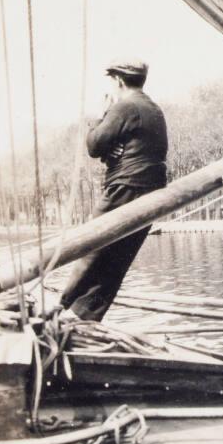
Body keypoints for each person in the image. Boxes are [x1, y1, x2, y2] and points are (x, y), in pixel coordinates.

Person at [60, 59, 168, 321]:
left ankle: (60, 308)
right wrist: (114, 150)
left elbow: (94, 145)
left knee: (91, 246)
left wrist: (102, 116)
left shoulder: (123, 107)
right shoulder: (154, 109)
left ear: (119, 81)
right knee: (117, 260)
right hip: (152, 190)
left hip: (125, 187)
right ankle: (83, 317)